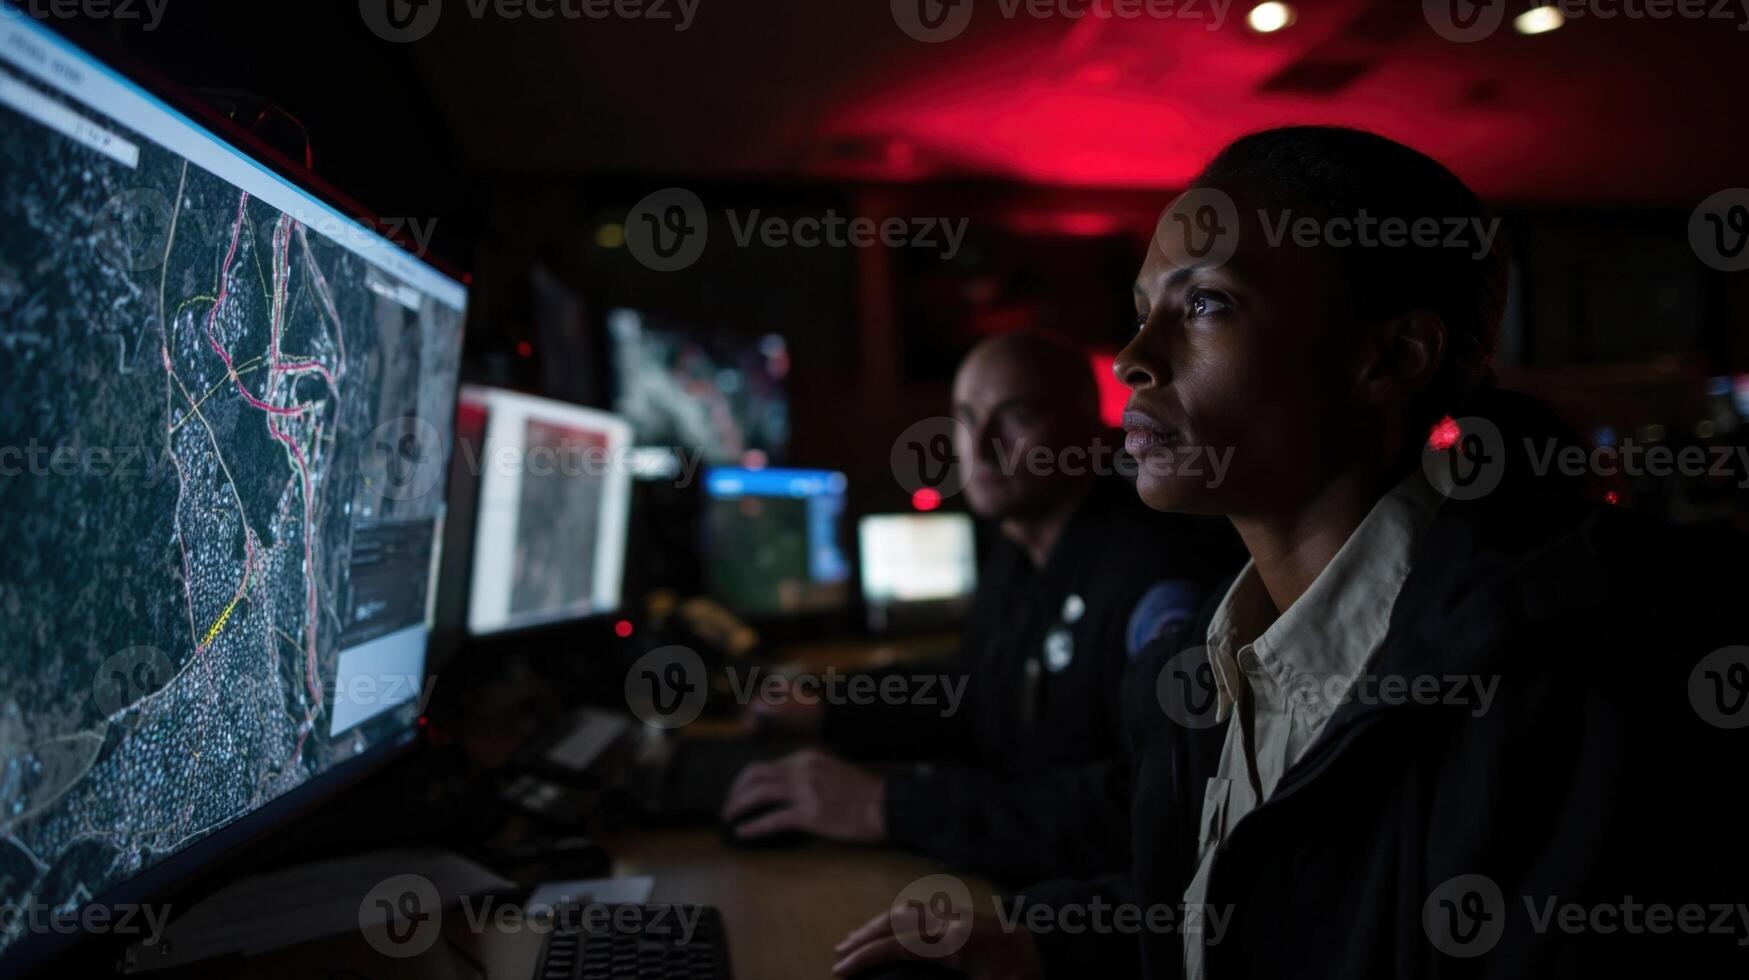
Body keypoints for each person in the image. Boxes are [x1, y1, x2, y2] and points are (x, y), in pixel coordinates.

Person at [833, 126, 1747, 978]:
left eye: (1203, 303)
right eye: (1143, 309)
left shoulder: (1566, 683)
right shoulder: (1205, 667)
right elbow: (1254, 903)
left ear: (1389, 358)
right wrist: (1044, 939)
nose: (1133, 359)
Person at [721, 330, 1244, 887]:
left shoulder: (1158, 571)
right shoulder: (1017, 550)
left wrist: (890, 805)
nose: (981, 444)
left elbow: (1148, 808)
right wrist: (832, 708)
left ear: (1092, 429)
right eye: (966, 417)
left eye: (1014, 416)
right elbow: (976, 697)